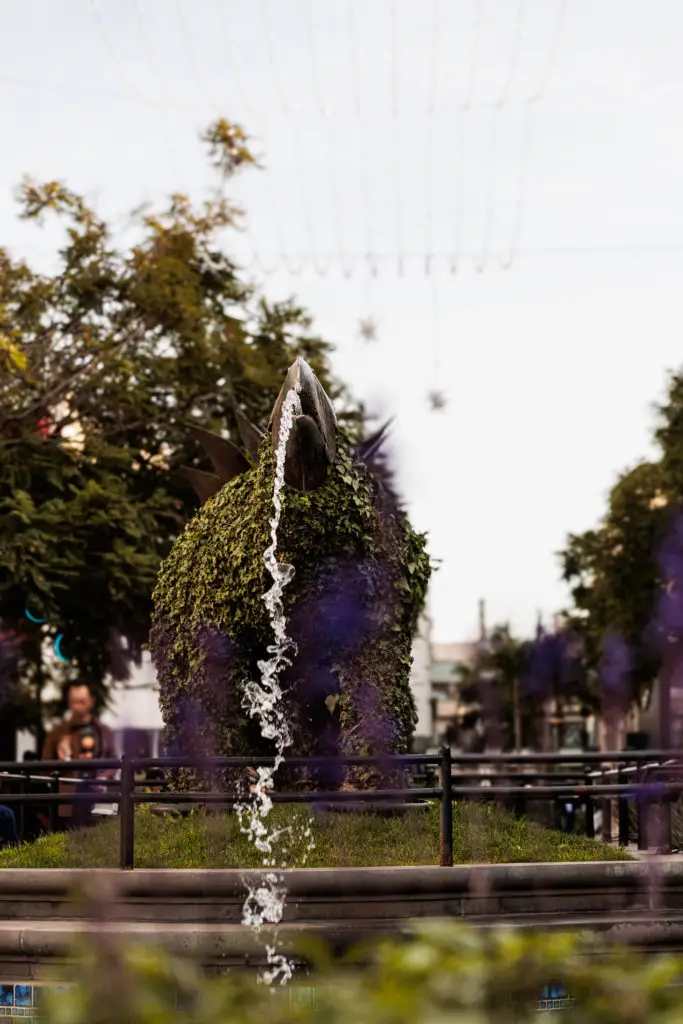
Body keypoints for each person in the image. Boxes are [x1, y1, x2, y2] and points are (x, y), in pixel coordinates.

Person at [42, 681, 117, 829]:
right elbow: (44, 767)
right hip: (67, 805)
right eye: (73, 701)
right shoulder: (58, 732)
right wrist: (62, 762)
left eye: (81, 701)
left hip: (98, 802)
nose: (77, 706)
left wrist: (104, 777)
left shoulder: (103, 731)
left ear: (91, 702)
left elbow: (114, 760)